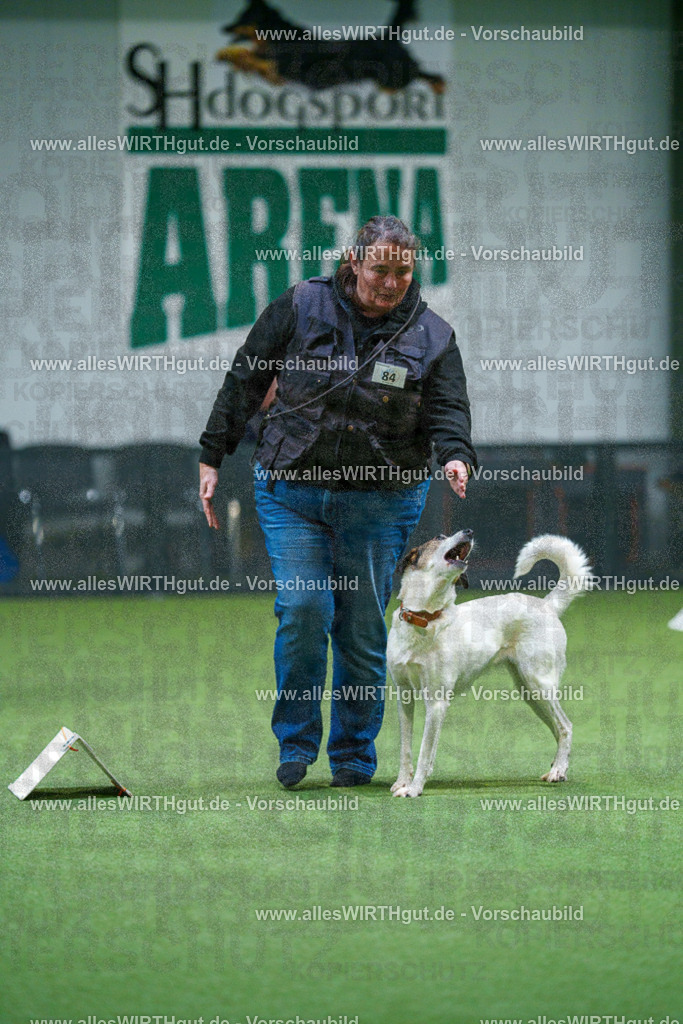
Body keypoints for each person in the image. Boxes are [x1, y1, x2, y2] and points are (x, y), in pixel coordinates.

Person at [199, 215, 477, 789]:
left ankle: (352, 756)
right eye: (381, 268)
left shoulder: (433, 335)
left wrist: (455, 454)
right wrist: (213, 452)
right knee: (304, 611)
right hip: (292, 491)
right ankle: (296, 745)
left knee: (359, 629)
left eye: (404, 271)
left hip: (380, 501)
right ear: (353, 261)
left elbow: (448, 408)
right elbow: (247, 377)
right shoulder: (300, 305)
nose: (392, 281)